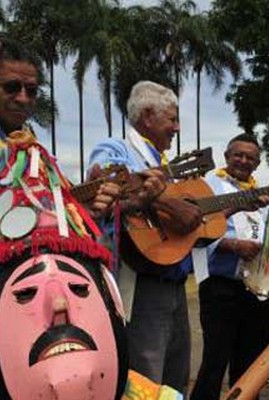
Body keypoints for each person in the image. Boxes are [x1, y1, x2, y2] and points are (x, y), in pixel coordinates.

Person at [0, 36, 129, 398]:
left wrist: (87, 209)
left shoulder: (36, 151)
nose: (23, 98)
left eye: (31, 89)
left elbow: (50, 219)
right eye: (11, 87)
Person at [88, 80, 204, 393]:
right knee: (146, 380)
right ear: (148, 115)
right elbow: (105, 185)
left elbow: (185, 218)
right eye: (172, 119)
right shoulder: (116, 149)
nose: (177, 128)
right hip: (143, 285)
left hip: (177, 284)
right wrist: (162, 200)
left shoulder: (167, 164)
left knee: (176, 379)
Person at [190, 133, 269, 400]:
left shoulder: (261, 193)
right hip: (220, 287)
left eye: (250, 157)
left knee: (252, 366)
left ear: (257, 164)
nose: (243, 161)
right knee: (215, 361)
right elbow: (197, 231)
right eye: (238, 155)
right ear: (226, 156)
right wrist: (234, 246)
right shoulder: (208, 187)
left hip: (257, 289)